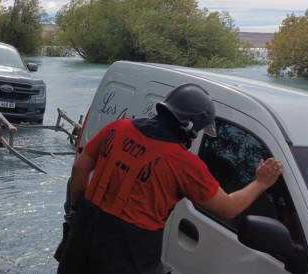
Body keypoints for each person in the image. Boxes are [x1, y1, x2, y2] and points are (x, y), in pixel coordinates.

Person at [57, 83, 283, 274]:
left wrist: (76, 209)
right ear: (190, 129)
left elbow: (80, 168)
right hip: (130, 249)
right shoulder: (183, 163)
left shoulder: (118, 128)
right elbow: (229, 208)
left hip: (83, 232)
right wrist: (261, 182)